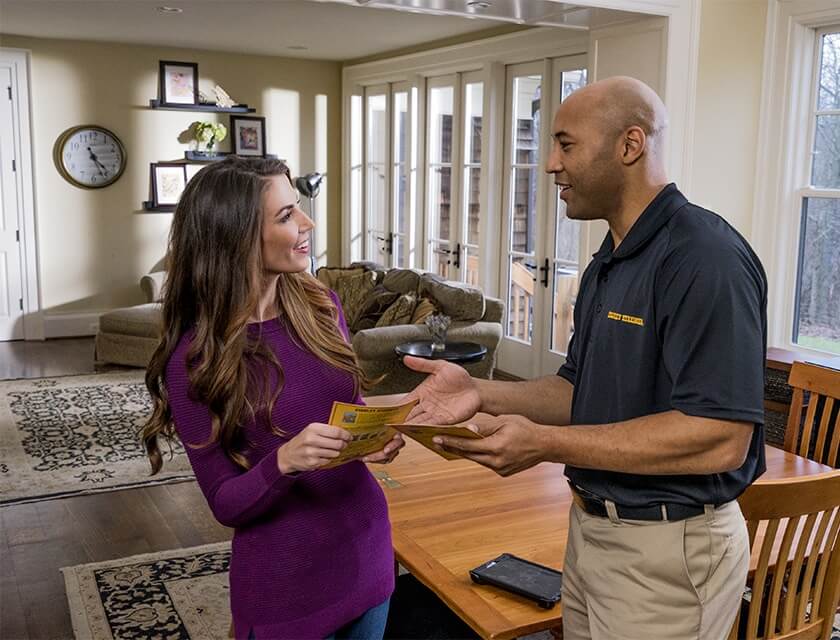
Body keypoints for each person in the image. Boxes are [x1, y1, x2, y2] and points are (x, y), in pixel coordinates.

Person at [404, 76, 767, 640]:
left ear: (630, 145)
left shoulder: (705, 258)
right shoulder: (611, 257)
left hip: (670, 551)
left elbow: (721, 436)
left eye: (566, 144)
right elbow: (578, 388)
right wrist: (481, 392)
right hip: (592, 531)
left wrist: (545, 444)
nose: (550, 163)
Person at [141, 156, 403, 640]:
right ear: (235, 236)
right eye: (286, 216)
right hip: (285, 590)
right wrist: (283, 462)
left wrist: (372, 436)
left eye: (298, 208)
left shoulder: (322, 305)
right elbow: (224, 501)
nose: (308, 224)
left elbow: (347, 408)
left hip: (367, 556)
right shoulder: (195, 358)